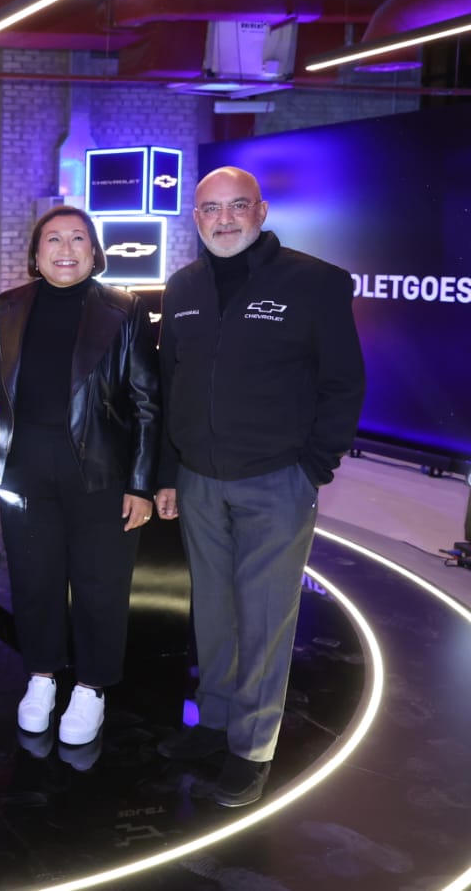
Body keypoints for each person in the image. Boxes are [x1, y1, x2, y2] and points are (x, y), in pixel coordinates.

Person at [153, 165, 365, 807]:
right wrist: (169, 472)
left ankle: (252, 747)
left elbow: (343, 384)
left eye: (237, 206)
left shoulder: (315, 283)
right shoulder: (183, 286)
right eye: (210, 209)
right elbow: (170, 385)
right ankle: (215, 720)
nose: (223, 219)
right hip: (198, 480)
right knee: (213, 613)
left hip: (277, 480)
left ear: (261, 211)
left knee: (265, 616)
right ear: (196, 218)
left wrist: (313, 467)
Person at [0, 206, 159, 750]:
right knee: (34, 581)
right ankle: (42, 677)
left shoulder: (124, 310)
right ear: (35, 253)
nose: (66, 249)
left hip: (101, 474)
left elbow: (148, 402)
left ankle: (92, 688)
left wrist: (141, 484)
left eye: (78, 238)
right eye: (54, 239)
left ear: (95, 253)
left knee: (100, 587)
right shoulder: (10, 306)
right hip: (25, 470)